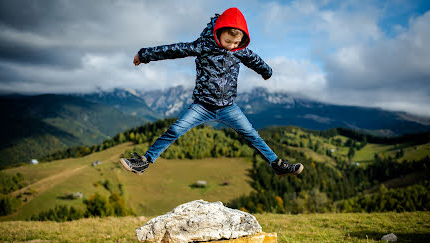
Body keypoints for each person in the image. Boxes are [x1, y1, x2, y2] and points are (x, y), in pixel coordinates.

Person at [120, 7, 304, 177]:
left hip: (229, 107)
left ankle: (277, 164)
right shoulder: (203, 46)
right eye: (228, 41)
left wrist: (267, 72)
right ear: (218, 33)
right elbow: (174, 50)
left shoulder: (241, 51)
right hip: (202, 106)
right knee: (174, 130)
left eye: (236, 42)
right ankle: (144, 162)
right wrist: (143, 55)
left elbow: (256, 61)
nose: (231, 46)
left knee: (252, 135)